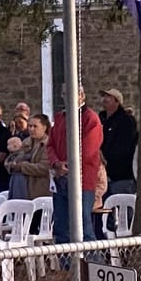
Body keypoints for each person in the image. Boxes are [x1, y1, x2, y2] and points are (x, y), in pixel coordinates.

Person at [47, 89, 104, 249]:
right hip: (60, 178)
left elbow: (89, 149)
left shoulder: (90, 118)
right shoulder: (59, 118)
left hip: (82, 180)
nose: (69, 97)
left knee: (83, 226)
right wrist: (56, 163)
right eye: (66, 93)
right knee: (61, 227)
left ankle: (91, 266)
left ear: (82, 96)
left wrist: (69, 165)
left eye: (73, 93)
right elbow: (50, 145)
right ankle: (67, 268)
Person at [98, 90, 138, 194]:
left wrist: (105, 158)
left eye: (109, 97)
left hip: (121, 176)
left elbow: (124, 147)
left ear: (117, 101)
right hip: (101, 176)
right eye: (104, 96)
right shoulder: (100, 120)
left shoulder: (126, 121)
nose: (105, 99)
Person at [10, 113, 52, 200]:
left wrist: (22, 166)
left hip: (39, 192)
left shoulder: (48, 144)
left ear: (44, 127)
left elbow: (45, 168)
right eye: (29, 126)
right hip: (20, 187)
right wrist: (12, 163)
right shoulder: (26, 142)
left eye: (35, 126)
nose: (31, 129)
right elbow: (13, 160)